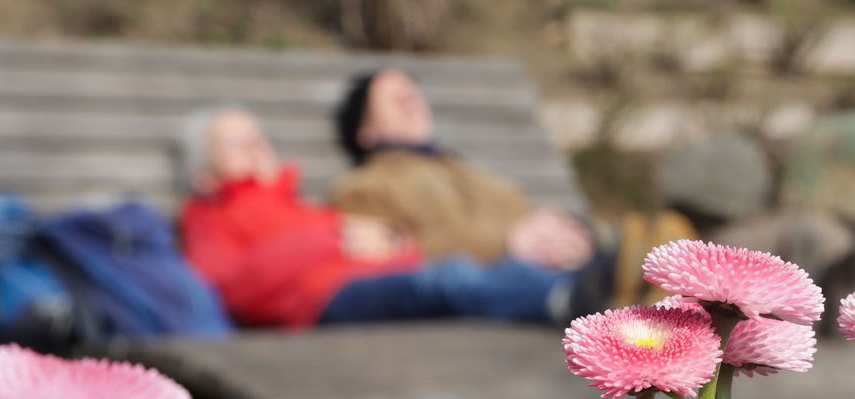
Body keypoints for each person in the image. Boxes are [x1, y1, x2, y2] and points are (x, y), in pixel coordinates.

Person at [176, 105, 607, 329]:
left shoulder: (298, 205)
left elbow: (387, 247)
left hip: (373, 278)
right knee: (450, 277)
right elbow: (229, 291)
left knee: (458, 273)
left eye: (257, 137)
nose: (255, 146)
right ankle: (578, 301)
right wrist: (333, 238)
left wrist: (397, 245)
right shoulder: (209, 217)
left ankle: (600, 283)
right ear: (202, 174)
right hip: (322, 301)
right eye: (235, 143)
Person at [331, 67, 598, 273]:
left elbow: (525, 219)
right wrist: (507, 244)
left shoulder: (466, 171)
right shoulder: (364, 187)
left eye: (413, 94)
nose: (410, 102)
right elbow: (392, 258)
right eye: (395, 99)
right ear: (366, 131)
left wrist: (564, 236)